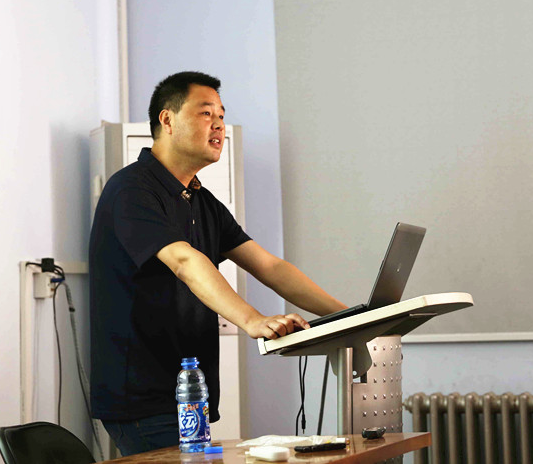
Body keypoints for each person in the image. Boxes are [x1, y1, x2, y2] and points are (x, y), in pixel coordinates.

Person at [89, 71, 346, 456]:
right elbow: (184, 260)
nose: (219, 125)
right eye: (206, 113)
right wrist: (253, 320)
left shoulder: (201, 201)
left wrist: (352, 315)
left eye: (222, 116)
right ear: (167, 119)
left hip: (189, 393)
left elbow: (270, 267)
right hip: (143, 398)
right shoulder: (132, 189)